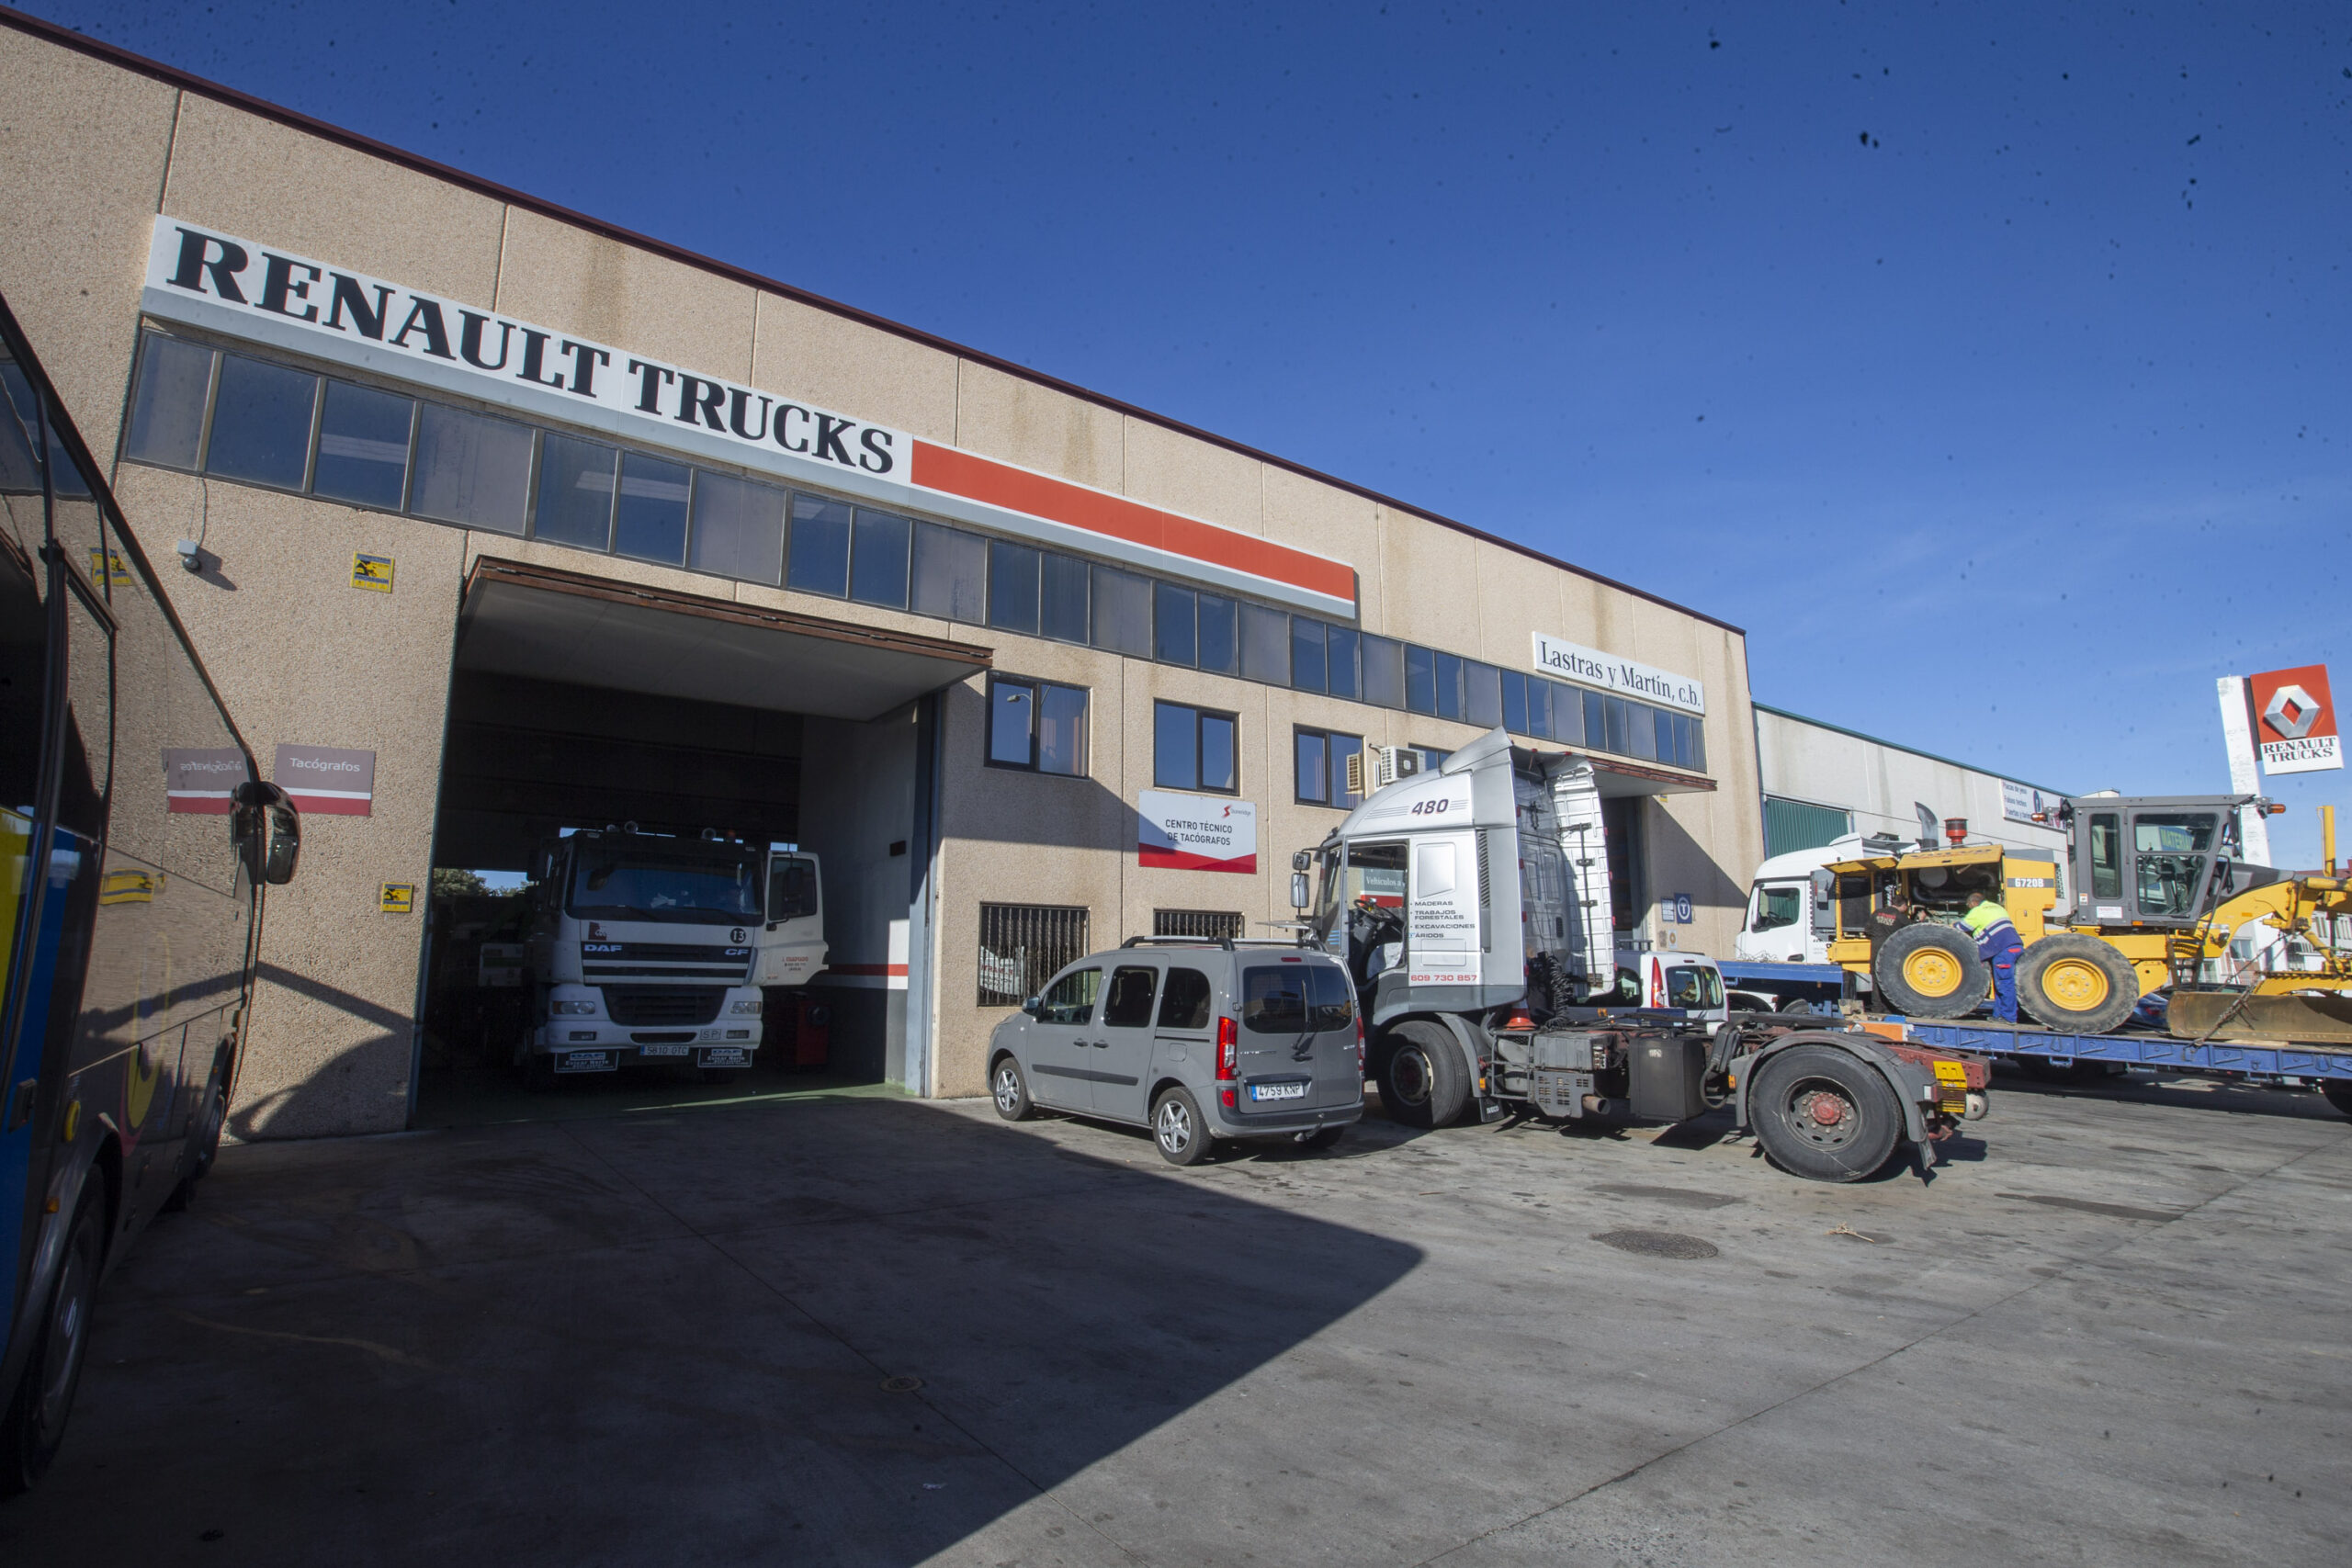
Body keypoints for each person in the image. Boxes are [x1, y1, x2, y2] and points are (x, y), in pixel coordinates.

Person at [1962, 890, 2025, 1023]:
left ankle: (2009, 1018)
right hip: (2014, 946)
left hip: (2003, 950)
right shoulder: (1997, 907)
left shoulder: (1978, 911)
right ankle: (1998, 1016)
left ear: (1973, 902)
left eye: (1969, 906)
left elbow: (1960, 927)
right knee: (2001, 983)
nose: (1970, 909)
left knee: (2004, 984)